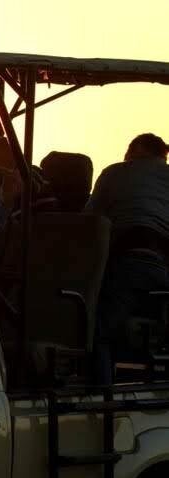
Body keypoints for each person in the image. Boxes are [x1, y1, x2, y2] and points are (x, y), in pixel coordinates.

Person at [86, 133, 169, 383]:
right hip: (162, 268)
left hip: (127, 264)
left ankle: (103, 394)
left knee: (98, 334)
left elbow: (90, 222)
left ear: (132, 151)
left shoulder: (113, 173)